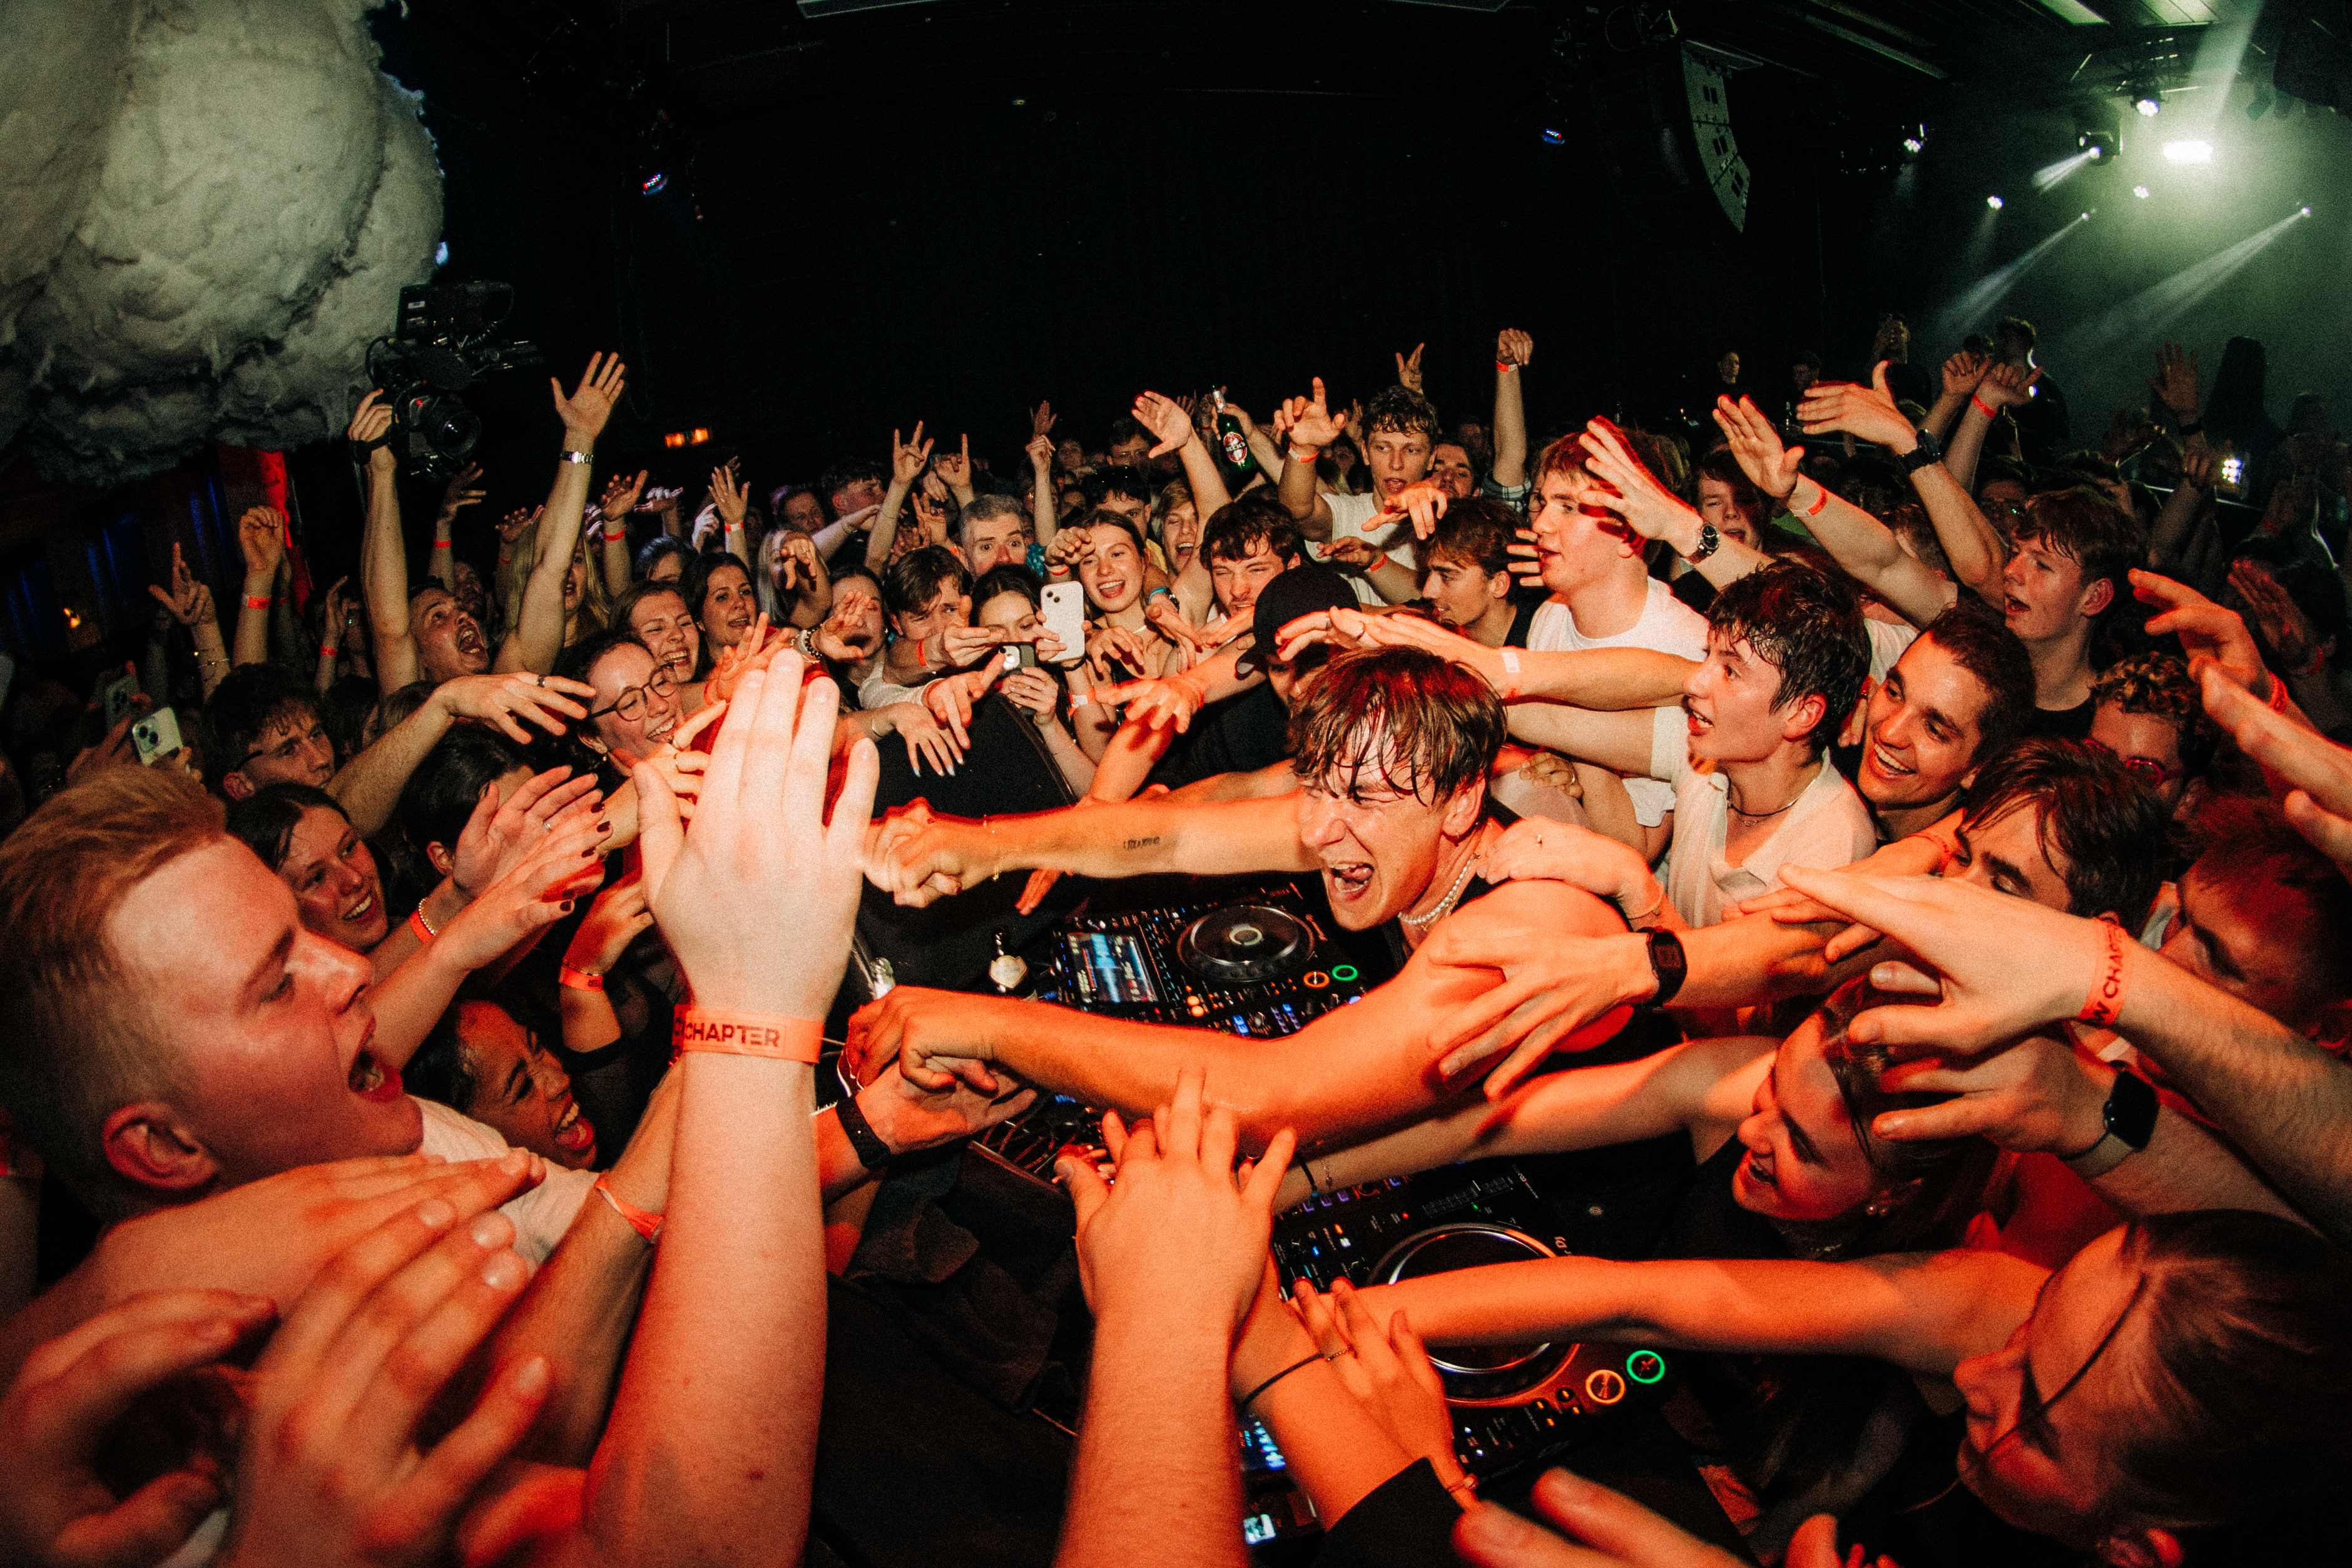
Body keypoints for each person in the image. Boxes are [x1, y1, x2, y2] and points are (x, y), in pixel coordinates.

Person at [853, 646, 1636, 1151]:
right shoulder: (1371, 825)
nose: (1323, 831)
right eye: (1319, 787)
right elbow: (1167, 837)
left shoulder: (1531, 916)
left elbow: (1270, 1093)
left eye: (1362, 797)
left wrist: (987, 1022)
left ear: (1463, 803)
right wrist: (986, 842)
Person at [1496, 561, 1876, 928]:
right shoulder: (1708, 749)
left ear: (1801, 713)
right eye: (1708, 656)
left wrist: (1634, 885)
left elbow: (1726, 988)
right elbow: (1552, 720)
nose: (1694, 681)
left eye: (1730, 670)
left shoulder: (1832, 848)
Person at [1275, 379, 1452, 604]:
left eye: (1412, 450)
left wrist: (1374, 560)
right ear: (1365, 453)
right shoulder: (1349, 511)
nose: (1396, 463)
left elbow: (1439, 601)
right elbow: (1297, 511)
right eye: (1383, 447)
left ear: (1431, 458)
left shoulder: (1450, 520)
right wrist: (1304, 448)